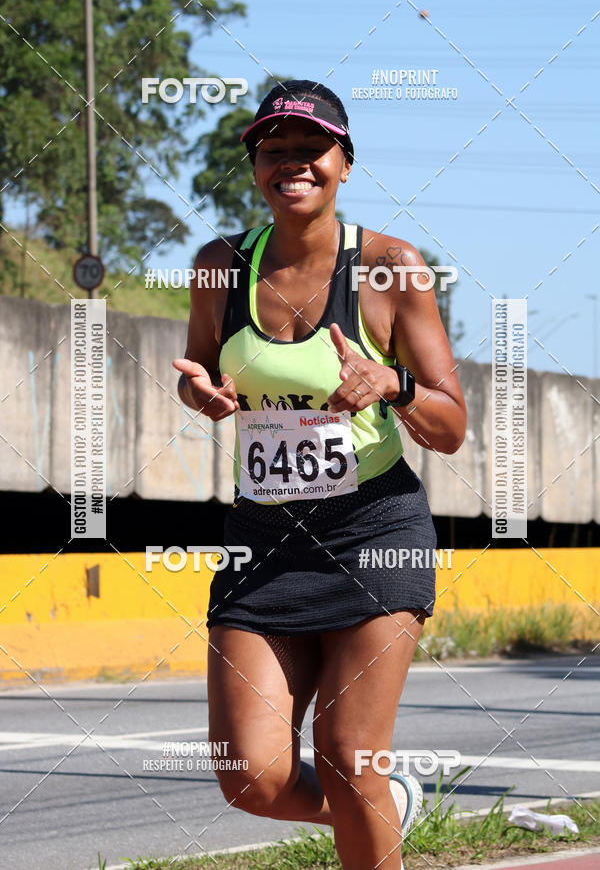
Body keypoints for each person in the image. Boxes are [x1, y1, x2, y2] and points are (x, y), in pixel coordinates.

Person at [174, 79, 466, 870]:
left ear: (344, 162)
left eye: (312, 149)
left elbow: (451, 425)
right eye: (275, 150)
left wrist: (393, 385)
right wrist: (201, 395)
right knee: (251, 778)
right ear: (255, 166)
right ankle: (378, 806)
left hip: (374, 533)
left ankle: (367, 799)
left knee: (348, 754)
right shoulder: (218, 268)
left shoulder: (390, 269)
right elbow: (199, 371)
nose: (293, 163)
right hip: (262, 541)